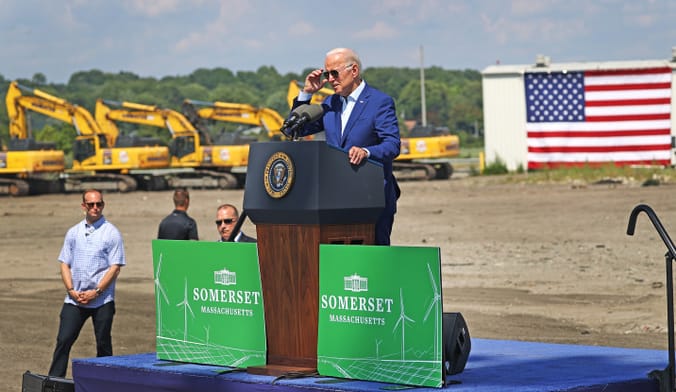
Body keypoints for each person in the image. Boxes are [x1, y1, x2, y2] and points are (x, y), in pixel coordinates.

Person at [291, 47, 401, 245]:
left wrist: (366, 152)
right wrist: (306, 93)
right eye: (327, 74)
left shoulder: (379, 102)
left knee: (372, 261)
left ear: (354, 71)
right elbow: (295, 129)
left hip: (372, 197)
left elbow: (392, 145)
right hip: (336, 199)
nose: (330, 79)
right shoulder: (330, 102)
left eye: (335, 73)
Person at [48, 189, 126, 377]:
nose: (95, 208)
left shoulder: (111, 233)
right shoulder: (73, 232)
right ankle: (53, 382)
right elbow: (64, 263)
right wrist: (71, 290)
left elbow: (115, 267)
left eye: (98, 204)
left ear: (103, 205)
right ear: (84, 206)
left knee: (103, 343)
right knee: (64, 340)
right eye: (91, 204)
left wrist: (97, 292)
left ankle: (105, 382)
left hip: (102, 300)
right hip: (75, 299)